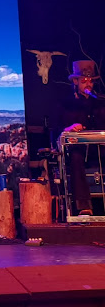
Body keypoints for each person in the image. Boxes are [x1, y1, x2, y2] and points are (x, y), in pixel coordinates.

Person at [58, 60, 105, 216]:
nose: (88, 84)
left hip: (99, 147)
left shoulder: (100, 103)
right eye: (84, 81)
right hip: (79, 149)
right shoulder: (66, 104)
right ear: (76, 82)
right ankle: (84, 206)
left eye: (90, 81)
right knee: (76, 157)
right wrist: (70, 128)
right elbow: (58, 130)